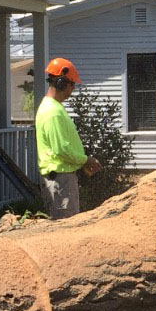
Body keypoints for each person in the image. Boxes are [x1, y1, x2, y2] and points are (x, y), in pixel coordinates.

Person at [35, 58, 101, 219]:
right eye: (72, 84)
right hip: (60, 180)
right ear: (61, 83)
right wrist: (87, 160)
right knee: (65, 227)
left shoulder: (55, 107)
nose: (73, 88)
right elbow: (61, 150)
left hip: (62, 177)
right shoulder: (52, 112)